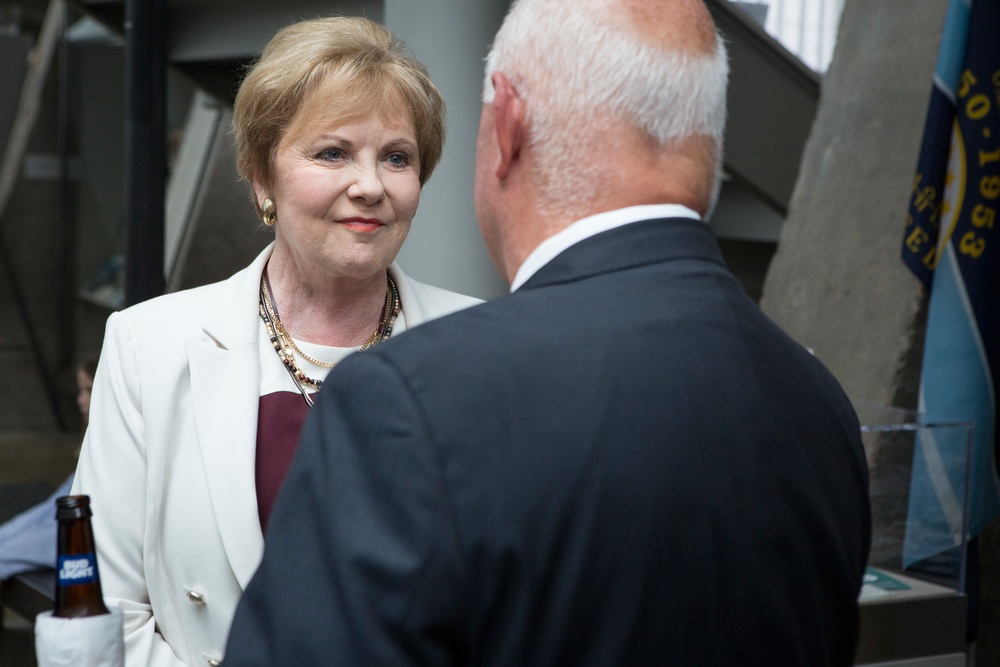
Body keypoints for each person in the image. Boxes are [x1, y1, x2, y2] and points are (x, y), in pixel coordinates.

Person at [223, 0, 872, 665]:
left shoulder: (414, 399)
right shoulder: (819, 405)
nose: (370, 185)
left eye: (397, 156)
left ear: (506, 122)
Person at [71, 15, 481, 667]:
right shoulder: (148, 345)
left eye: (396, 157)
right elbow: (104, 613)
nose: (371, 185)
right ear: (264, 178)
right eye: (333, 152)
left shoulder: (480, 346)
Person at [0, 357, 97, 585]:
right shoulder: (93, 447)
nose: (80, 400)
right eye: (80, 389)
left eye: (89, 390)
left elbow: (59, 534)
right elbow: (48, 511)